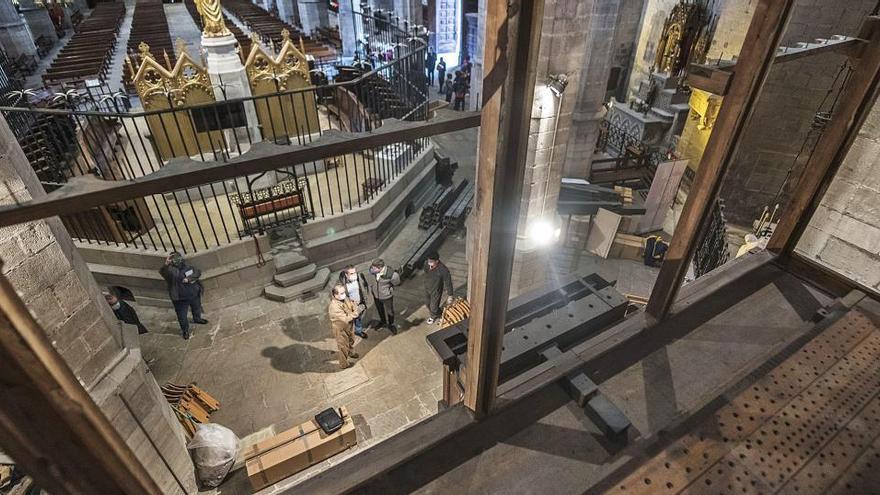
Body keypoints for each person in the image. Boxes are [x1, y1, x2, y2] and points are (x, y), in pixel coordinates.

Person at [159, 251, 207, 339]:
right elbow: (163, 272)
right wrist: (166, 265)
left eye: (178, 258)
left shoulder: (188, 267)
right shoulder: (170, 272)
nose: (178, 261)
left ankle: (197, 319)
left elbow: (197, 272)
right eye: (175, 259)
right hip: (180, 299)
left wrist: (189, 279)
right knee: (182, 316)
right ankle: (185, 330)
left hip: (193, 293)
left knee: (197, 307)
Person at [328, 284, 362, 369]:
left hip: (349, 325)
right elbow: (345, 318)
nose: (344, 294)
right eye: (342, 293)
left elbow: (351, 304)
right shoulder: (334, 307)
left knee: (351, 340)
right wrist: (356, 312)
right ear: (335, 295)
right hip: (340, 328)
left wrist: (355, 307)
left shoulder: (344, 298)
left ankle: (350, 352)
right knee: (343, 346)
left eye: (344, 292)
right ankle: (344, 364)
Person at [366, 259, 400, 335]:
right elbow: (371, 272)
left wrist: (389, 289)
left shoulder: (391, 274)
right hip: (376, 295)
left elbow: (396, 282)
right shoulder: (374, 270)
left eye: (374, 268)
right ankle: (383, 322)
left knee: (389, 311)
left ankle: (391, 324)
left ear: (380, 267)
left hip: (386, 296)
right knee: (380, 309)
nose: (372, 270)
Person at [338, 265, 370, 338]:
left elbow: (365, 285)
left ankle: (356, 328)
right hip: (351, 306)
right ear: (346, 274)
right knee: (354, 319)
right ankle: (357, 331)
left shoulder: (360, 277)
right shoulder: (342, 285)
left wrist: (366, 296)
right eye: (351, 273)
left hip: (361, 303)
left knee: (359, 317)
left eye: (355, 272)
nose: (354, 275)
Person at [423, 252, 453, 325]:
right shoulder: (426, 264)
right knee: (427, 303)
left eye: (431, 261)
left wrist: (450, 295)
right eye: (428, 260)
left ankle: (433, 316)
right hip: (427, 287)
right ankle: (439, 312)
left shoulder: (443, 269)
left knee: (433, 307)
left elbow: (448, 282)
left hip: (436, 290)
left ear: (437, 261)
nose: (429, 263)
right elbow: (426, 272)